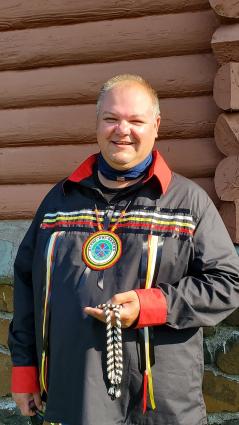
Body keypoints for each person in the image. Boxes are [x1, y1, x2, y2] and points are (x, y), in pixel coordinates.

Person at [8, 74, 239, 425]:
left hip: (159, 404)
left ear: (156, 125)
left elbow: (228, 283)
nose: (122, 130)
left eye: (135, 120)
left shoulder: (187, 203)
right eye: (112, 118)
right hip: (75, 396)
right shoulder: (59, 201)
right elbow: (26, 284)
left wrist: (153, 305)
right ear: (98, 123)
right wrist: (24, 370)